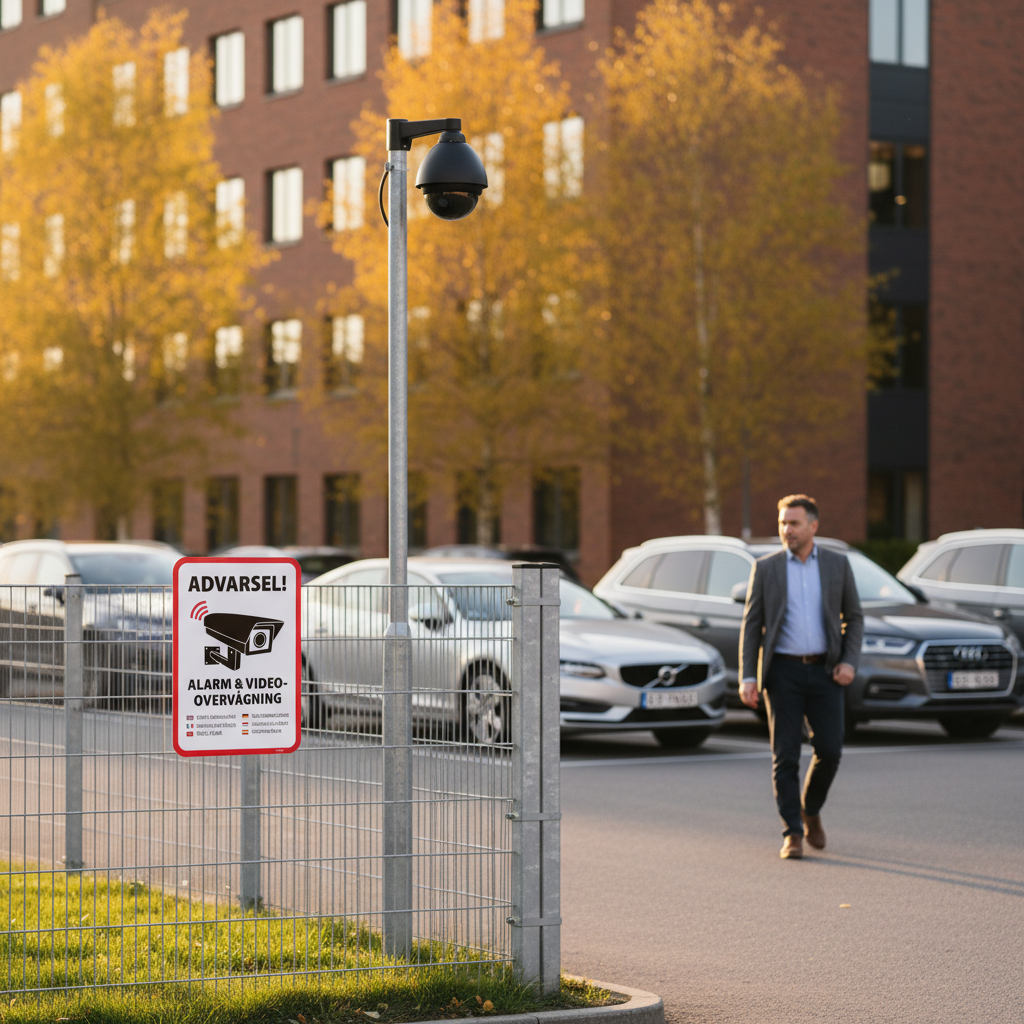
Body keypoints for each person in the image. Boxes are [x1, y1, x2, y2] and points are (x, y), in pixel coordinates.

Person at [738, 495, 864, 859]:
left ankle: (810, 810)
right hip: (784, 673)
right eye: (782, 524)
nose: (786, 530)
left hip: (827, 671)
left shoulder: (838, 566)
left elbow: (853, 618)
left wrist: (849, 661)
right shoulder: (767, 568)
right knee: (786, 755)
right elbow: (752, 625)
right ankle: (792, 832)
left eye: (794, 523)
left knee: (830, 749)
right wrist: (748, 676)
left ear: (813, 526)